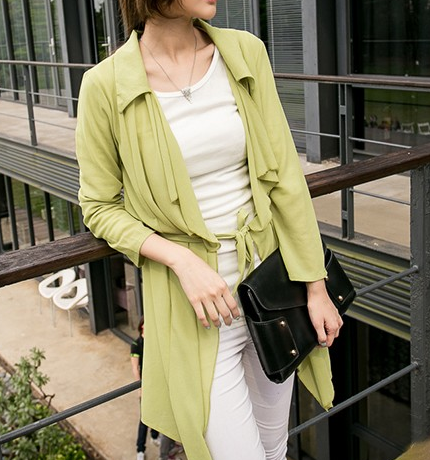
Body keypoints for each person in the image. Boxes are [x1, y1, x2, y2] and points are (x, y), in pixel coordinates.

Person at [76, 1, 343, 459]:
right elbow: (98, 206)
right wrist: (180, 259)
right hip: (195, 312)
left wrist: (315, 285)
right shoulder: (105, 85)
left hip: (270, 290)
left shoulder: (244, 52)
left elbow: (286, 179)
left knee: (274, 448)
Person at [130, 317, 160, 460]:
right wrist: (140, 387)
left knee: (157, 412)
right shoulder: (136, 344)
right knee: (144, 418)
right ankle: (140, 449)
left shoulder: (155, 340)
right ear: (142, 326)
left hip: (157, 383)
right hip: (145, 384)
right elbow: (135, 368)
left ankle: (155, 436)